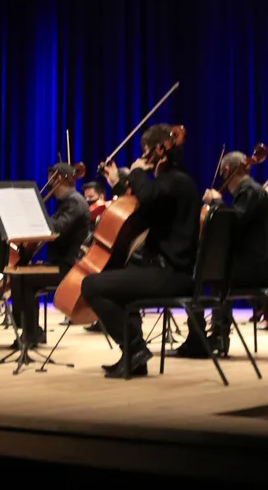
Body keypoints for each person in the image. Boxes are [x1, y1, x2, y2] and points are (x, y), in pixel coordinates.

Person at [80, 124, 199, 378]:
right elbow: (140, 212)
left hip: (171, 274)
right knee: (119, 274)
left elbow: (148, 196)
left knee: (91, 285)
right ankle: (134, 357)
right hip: (168, 269)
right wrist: (119, 184)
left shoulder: (173, 181)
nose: (144, 157)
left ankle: (135, 348)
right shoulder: (174, 182)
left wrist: (136, 173)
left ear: (158, 150)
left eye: (145, 151)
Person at [178, 151, 268, 356]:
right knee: (212, 271)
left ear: (226, 171)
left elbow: (233, 225)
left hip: (257, 268)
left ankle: (207, 338)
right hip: (261, 264)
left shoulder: (248, 191)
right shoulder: (250, 190)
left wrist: (216, 202)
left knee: (197, 274)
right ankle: (217, 335)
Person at [11, 163, 91, 349]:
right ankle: (31, 330)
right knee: (20, 272)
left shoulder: (75, 202)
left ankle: (30, 333)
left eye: (51, 179)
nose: (48, 183)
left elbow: (55, 229)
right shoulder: (68, 202)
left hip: (70, 268)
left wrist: (35, 210)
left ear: (58, 179)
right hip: (60, 263)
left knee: (24, 278)